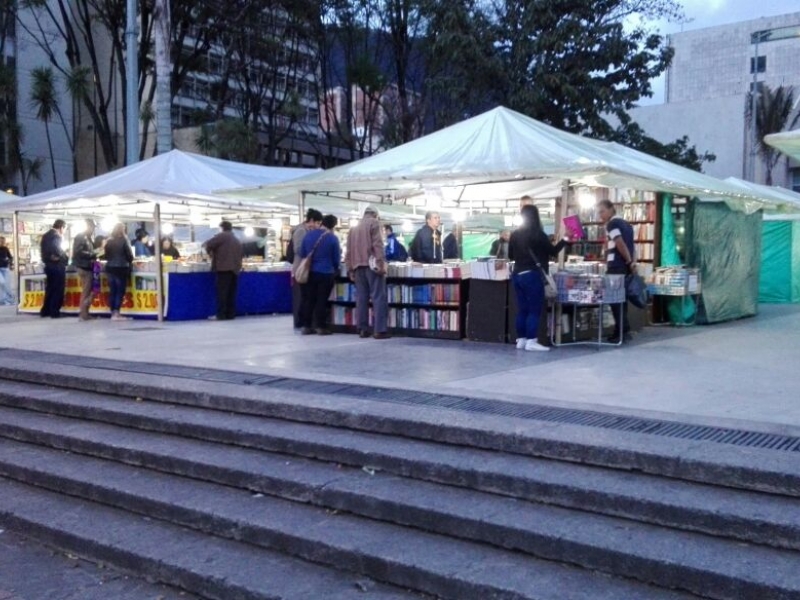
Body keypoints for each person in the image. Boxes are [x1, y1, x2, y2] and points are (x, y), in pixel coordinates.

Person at [508, 205, 570, 352]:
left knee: (522, 309)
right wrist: (566, 238)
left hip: (517, 275)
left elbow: (510, 255)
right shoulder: (538, 234)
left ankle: (521, 340)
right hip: (532, 275)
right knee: (534, 310)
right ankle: (531, 340)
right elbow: (554, 251)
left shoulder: (515, 234)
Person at [346, 206, 390, 339]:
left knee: (361, 298)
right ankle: (379, 330)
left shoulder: (353, 228)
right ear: (375, 215)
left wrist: (350, 269)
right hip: (372, 266)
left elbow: (348, 251)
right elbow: (378, 245)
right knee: (378, 297)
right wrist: (381, 263)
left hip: (357, 267)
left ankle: (363, 329)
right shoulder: (374, 223)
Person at [598, 199, 635, 343]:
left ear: (611, 209)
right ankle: (624, 331)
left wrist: (628, 261)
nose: (600, 215)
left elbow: (620, 243)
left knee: (614, 301)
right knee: (622, 300)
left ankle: (620, 332)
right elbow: (632, 245)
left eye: (602, 211)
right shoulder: (627, 225)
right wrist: (632, 262)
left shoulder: (612, 224)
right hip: (624, 267)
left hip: (616, 266)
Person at [299, 214, 341, 335]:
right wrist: (334, 268)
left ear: (322, 222)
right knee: (322, 300)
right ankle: (320, 327)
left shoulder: (308, 235)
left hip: (311, 272)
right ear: (333, 226)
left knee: (310, 299)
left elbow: (303, 253)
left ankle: (306, 326)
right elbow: (336, 259)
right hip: (326, 272)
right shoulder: (333, 238)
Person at [203, 220, 243, 321]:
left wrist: (210, 253)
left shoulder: (222, 236)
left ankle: (221, 315)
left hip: (224, 268)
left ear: (222, 228)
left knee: (222, 293)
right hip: (235, 269)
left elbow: (208, 244)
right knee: (231, 293)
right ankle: (230, 314)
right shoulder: (236, 239)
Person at [290, 209, 323, 328]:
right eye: (318, 223)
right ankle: (301, 322)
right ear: (312, 220)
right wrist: (312, 250)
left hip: (307, 267)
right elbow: (298, 249)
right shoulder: (300, 231)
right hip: (301, 268)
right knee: (303, 297)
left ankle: (305, 321)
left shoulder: (308, 230)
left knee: (307, 296)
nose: (318, 226)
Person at [103, 223, 134, 321]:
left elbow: (105, 255)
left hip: (110, 267)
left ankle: (112, 312)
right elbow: (129, 255)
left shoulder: (109, 240)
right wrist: (130, 260)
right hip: (121, 267)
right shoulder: (124, 240)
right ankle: (116, 313)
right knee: (120, 291)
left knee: (113, 290)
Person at [39, 219, 68, 318]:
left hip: (48, 265)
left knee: (50, 288)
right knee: (58, 288)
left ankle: (45, 310)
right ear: (61, 227)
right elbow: (57, 249)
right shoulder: (57, 236)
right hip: (57, 266)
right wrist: (64, 257)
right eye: (65, 229)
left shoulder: (45, 235)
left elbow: (43, 251)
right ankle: (54, 311)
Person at [71, 218, 99, 321]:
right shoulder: (81, 237)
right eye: (92, 227)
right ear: (88, 226)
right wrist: (93, 254)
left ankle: (85, 312)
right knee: (86, 291)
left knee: (88, 290)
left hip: (86, 266)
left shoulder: (87, 238)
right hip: (84, 266)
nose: (93, 230)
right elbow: (78, 251)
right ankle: (83, 314)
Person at [0, 236, 14, 305]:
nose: (2, 242)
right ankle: (5, 299)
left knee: (6, 284)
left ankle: (4, 300)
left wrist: (9, 262)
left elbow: (10, 257)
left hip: (5, 268)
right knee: (2, 282)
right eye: (1, 241)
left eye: (3, 241)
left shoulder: (5, 249)